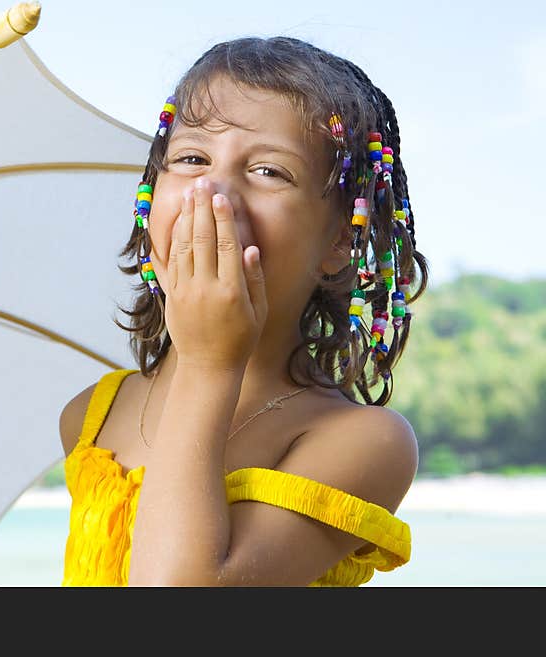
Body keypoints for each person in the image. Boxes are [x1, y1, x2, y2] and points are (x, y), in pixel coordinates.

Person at [59, 35, 429, 587]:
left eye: (269, 172)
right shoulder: (93, 416)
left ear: (339, 241)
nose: (212, 190)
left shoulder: (363, 443)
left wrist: (210, 364)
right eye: (191, 158)